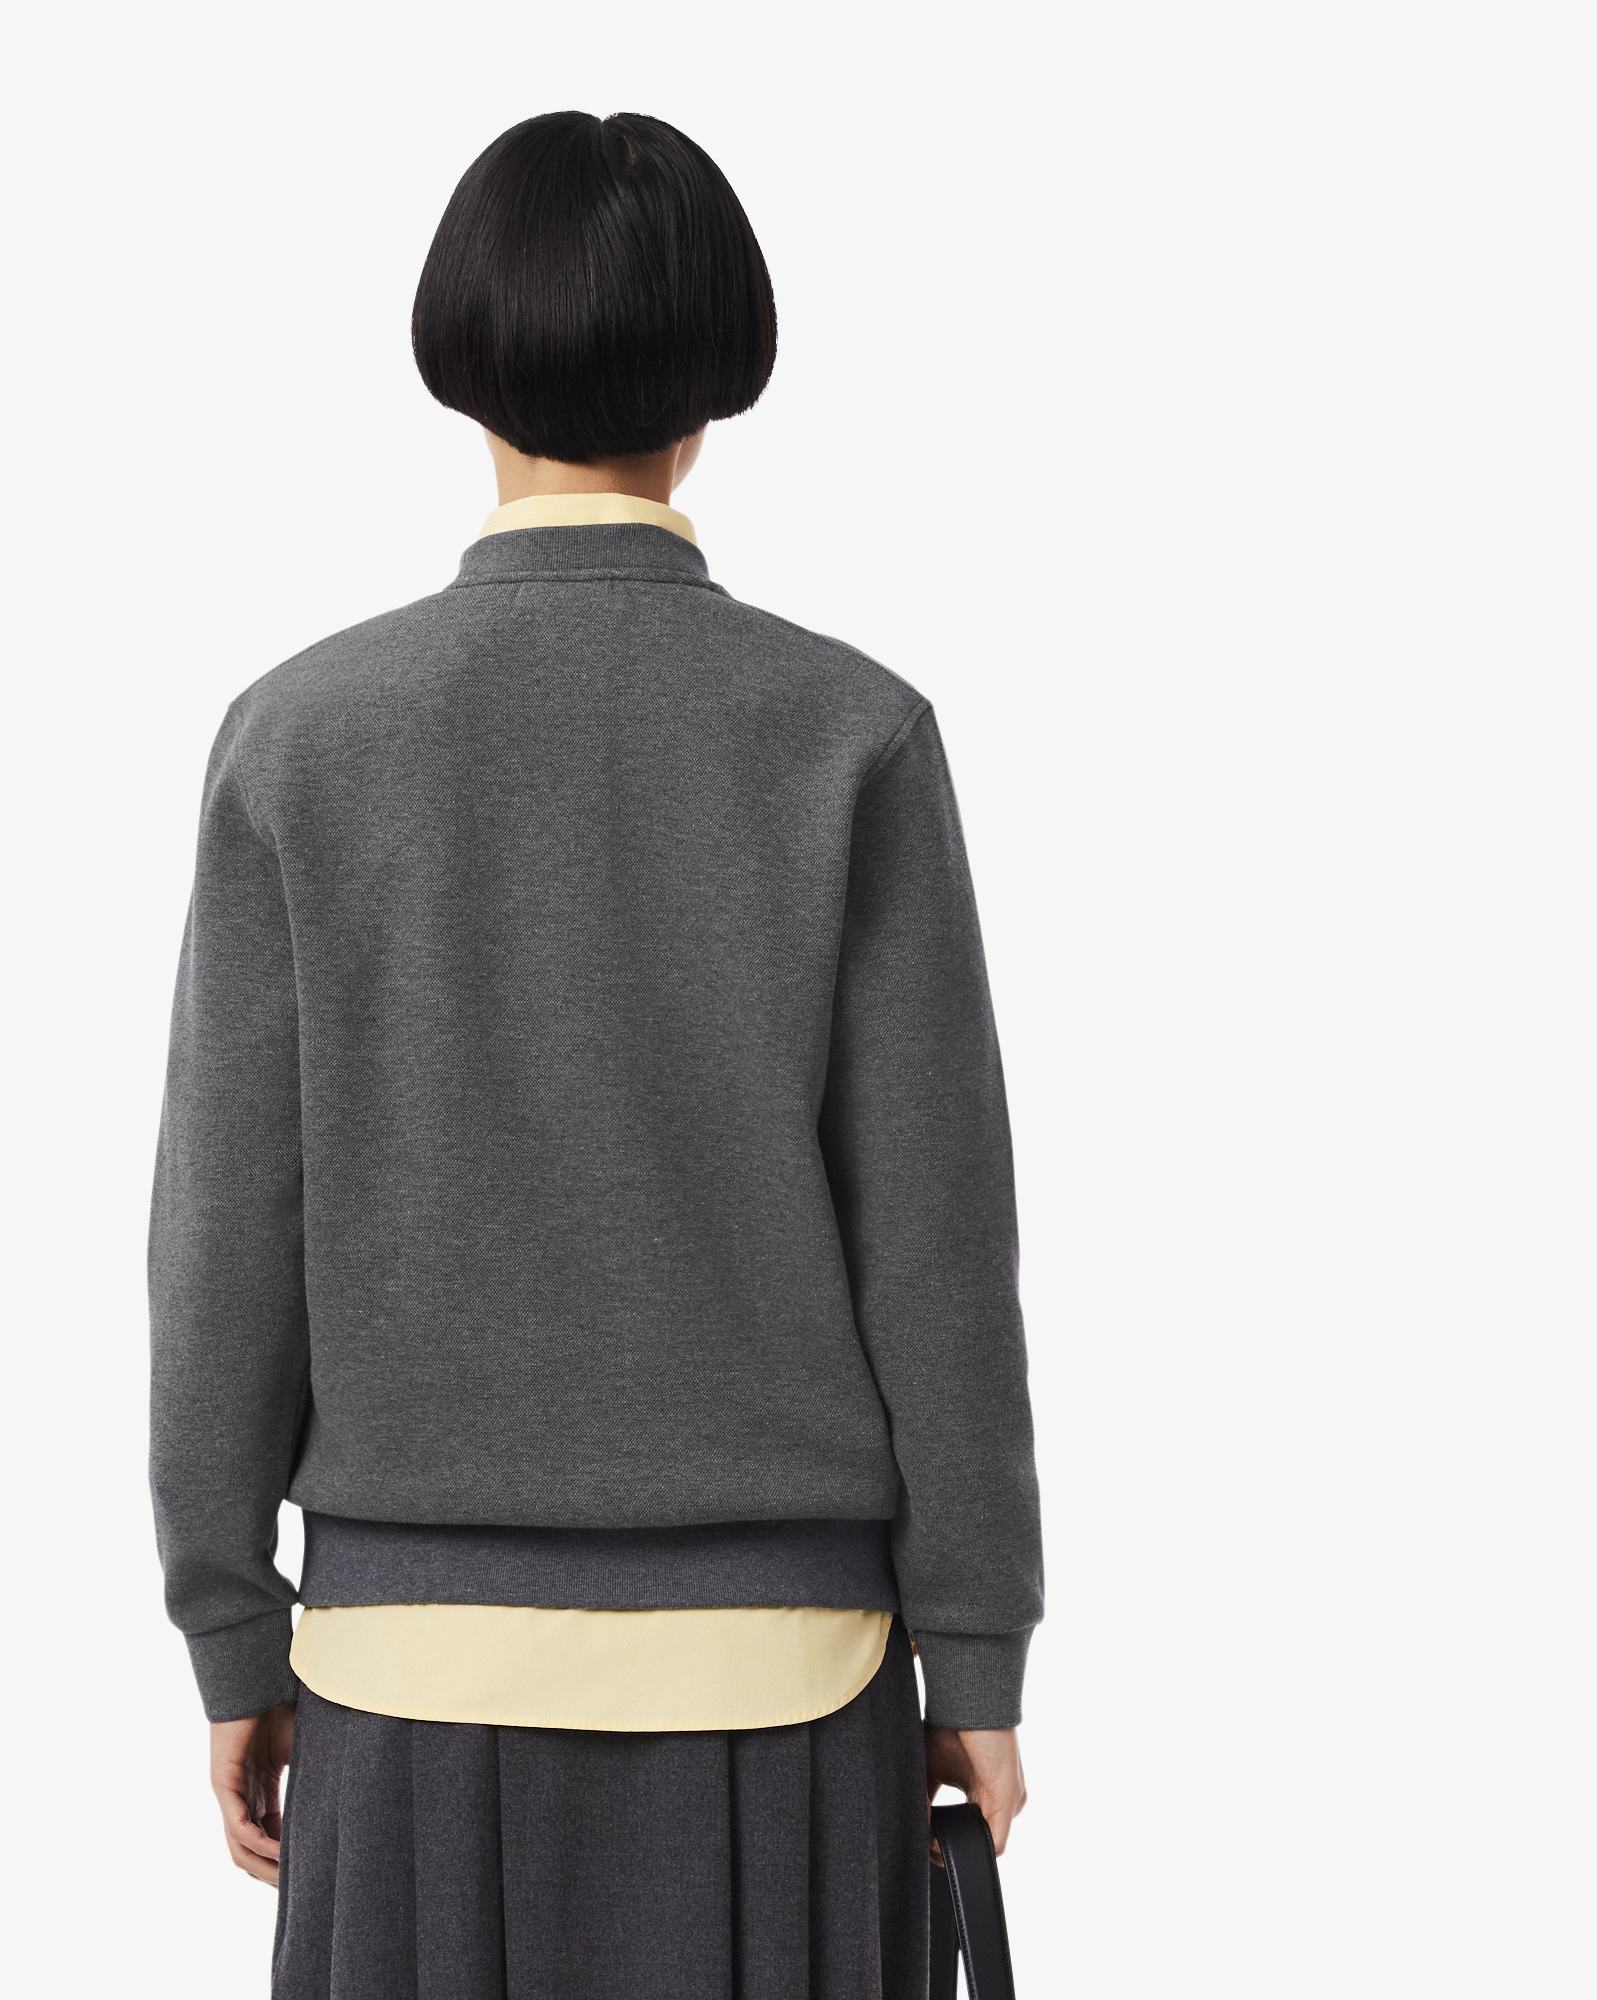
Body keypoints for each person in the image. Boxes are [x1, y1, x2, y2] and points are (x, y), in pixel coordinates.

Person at [149, 109, 1043, 1998]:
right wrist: (975, 1654)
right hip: (786, 1679)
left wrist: (233, 1629)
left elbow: (225, 1234)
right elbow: (940, 1245)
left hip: (404, 1669)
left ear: (458, 360)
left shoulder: (300, 739)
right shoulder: (851, 733)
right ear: (719, 381)